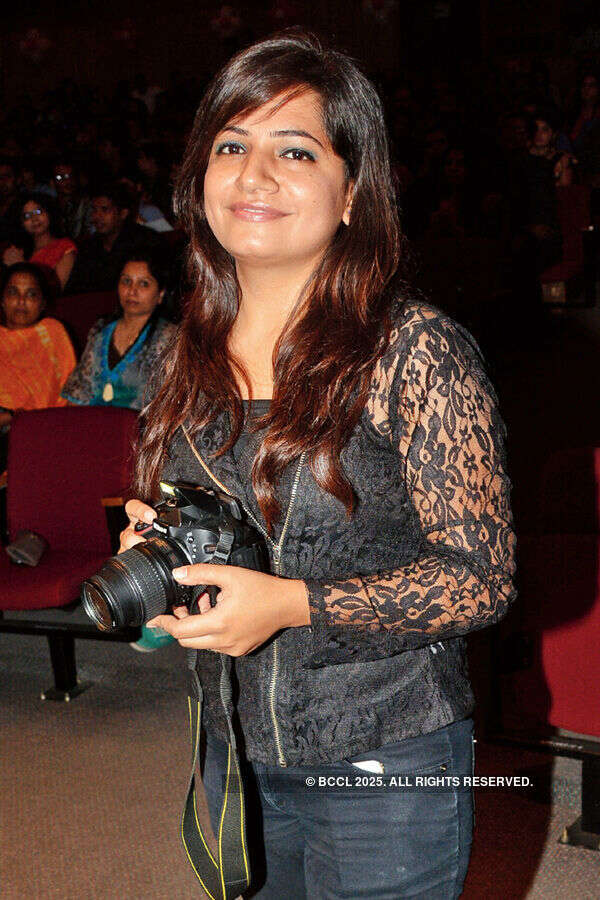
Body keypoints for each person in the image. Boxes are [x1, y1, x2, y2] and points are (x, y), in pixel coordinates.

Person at [120, 33, 516, 899]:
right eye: (231, 145)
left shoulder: (413, 351)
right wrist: (154, 541)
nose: (252, 175)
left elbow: (482, 582)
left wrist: (291, 605)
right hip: (233, 742)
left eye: (294, 150)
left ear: (351, 194)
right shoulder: (182, 353)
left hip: (386, 751)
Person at [61, 247, 176, 410]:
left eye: (144, 284)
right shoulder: (101, 331)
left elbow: (168, 405)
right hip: (92, 425)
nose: (132, 291)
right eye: (126, 281)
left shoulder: (170, 338)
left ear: (161, 294)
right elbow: (79, 394)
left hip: (140, 430)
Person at [0, 263, 76, 468]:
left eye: (31, 294)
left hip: (46, 431)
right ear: (2, 300)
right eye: (13, 292)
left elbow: (70, 395)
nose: (21, 301)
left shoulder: (52, 333)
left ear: (42, 303)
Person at [64, 183, 161, 295]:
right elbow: (75, 289)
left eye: (104, 210)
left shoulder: (146, 241)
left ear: (123, 213)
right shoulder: (89, 246)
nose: (97, 216)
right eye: (94, 210)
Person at [2, 194, 77, 291]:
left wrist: (21, 265)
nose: (34, 219)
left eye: (38, 211)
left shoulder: (65, 247)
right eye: (27, 216)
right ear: (21, 223)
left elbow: (56, 289)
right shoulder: (20, 250)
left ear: (49, 213)